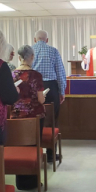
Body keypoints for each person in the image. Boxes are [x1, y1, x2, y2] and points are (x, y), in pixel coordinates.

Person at [12, 44, 46, 190]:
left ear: (19, 57)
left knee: (19, 148)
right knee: (34, 148)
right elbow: (41, 100)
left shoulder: (12, 74)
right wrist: (43, 96)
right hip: (35, 116)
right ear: (32, 57)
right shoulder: (36, 75)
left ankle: (20, 183)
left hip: (17, 117)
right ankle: (33, 182)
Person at [32, 30, 66, 163]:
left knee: (34, 118)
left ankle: (34, 152)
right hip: (51, 87)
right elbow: (60, 72)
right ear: (47, 40)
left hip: (33, 86)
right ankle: (51, 155)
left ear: (35, 40)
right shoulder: (53, 51)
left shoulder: (30, 50)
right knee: (52, 120)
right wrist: (61, 91)